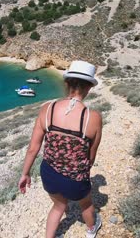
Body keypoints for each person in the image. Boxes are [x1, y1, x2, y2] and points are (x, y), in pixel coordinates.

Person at [18, 60, 103, 238]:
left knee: (58, 206)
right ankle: (90, 230)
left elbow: (33, 148)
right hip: (75, 178)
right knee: (86, 204)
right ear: (88, 88)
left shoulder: (47, 109)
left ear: (66, 83)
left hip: (49, 173)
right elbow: (91, 157)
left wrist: (25, 174)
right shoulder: (93, 118)